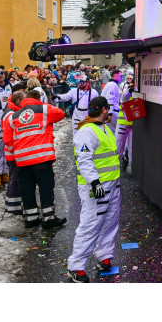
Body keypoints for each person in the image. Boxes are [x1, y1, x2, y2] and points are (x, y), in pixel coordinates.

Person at [66, 97, 121, 282]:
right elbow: (84, 160)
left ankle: (104, 256)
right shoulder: (87, 131)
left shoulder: (102, 128)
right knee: (90, 225)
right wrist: (95, 183)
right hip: (97, 187)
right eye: (108, 109)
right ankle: (76, 266)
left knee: (110, 222)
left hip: (111, 184)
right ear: (104, 110)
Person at [1, 88, 67, 229]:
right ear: (38, 99)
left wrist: (17, 153)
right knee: (45, 188)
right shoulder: (43, 110)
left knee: (27, 190)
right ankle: (48, 219)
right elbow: (60, 114)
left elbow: (7, 139)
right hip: (41, 158)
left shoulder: (13, 116)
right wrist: (44, 105)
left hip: (22, 161)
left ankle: (31, 219)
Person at [1, 89, 27, 216]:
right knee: (14, 180)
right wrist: (14, 150)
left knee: (15, 179)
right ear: (18, 101)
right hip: (12, 153)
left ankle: (13, 205)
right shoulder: (11, 114)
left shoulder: (10, 111)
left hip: (12, 152)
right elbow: (9, 135)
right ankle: (13, 208)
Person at [116, 70, 135, 170]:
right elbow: (124, 98)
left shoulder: (138, 93)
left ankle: (131, 166)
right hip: (122, 124)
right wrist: (130, 90)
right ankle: (117, 165)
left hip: (133, 125)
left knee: (132, 149)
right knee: (119, 146)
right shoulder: (127, 92)